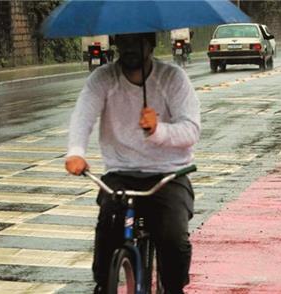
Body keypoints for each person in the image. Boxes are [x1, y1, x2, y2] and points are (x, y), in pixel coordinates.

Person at [64, 32, 201, 294]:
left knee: (174, 240)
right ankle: (105, 285)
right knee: (107, 227)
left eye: (136, 42)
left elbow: (191, 130)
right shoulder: (103, 78)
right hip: (121, 172)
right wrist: (75, 151)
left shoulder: (172, 78)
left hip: (168, 174)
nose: (129, 48)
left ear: (150, 44)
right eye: (123, 42)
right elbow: (83, 115)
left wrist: (158, 130)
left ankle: (174, 289)